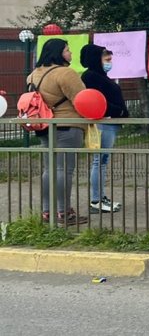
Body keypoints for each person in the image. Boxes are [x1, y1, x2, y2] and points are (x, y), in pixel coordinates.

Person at [28, 39, 88, 225]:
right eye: (67, 50)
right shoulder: (66, 73)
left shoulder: (33, 74)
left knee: (49, 169)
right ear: (58, 53)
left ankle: (47, 211)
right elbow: (83, 99)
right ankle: (64, 212)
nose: (70, 53)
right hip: (67, 125)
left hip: (44, 125)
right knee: (64, 170)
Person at [80, 44, 129, 214]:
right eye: (106, 58)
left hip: (109, 122)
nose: (109, 61)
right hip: (103, 122)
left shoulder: (101, 75)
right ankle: (96, 200)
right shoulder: (91, 77)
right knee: (99, 160)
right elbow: (96, 101)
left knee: (102, 161)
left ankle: (100, 196)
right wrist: (119, 110)